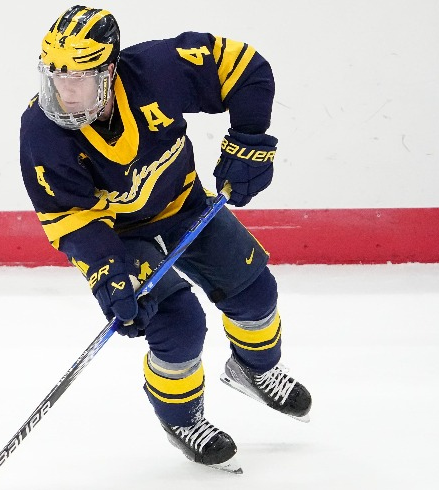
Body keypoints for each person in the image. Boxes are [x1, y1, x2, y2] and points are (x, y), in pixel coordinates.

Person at [19, 5, 311, 471]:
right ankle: (183, 419)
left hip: (184, 206)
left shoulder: (157, 70)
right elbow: (68, 217)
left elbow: (246, 67)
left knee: (256, 292)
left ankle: (254, 368)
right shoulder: (41, 130)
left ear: (110, 71)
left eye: (78, 77)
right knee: (178, 324)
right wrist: (108, 273)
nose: (64, 91)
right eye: (55, 76)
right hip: (119, 237)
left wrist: (251, 140)